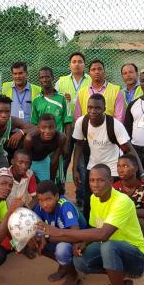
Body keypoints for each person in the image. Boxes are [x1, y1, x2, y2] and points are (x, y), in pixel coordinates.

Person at [40, 164, 144, 285]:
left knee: (108, 246)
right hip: (114, 249)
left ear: (111, 181)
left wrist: (59, 233)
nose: (95, 184)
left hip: (137, 257)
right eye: (92, 180)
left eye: (100, 180)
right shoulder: (94, 198)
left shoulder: (122, 201)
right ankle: (119, 279)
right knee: (80, 261)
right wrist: (83, 243)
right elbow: (96, 227)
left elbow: (103, 234)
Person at [72, 94, 144, 219]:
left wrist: (142, 173)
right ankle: (91, 233)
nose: (93, 111)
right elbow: (79, 146)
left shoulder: (114, 125)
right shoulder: (82, 122)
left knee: (111, 205)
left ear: (104, 108)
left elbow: (129, 150)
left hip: (113, 171)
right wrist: (74, 169)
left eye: (97, 108)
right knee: (90, 203)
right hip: (93, 169)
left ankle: (109, 233)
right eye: (90, 107)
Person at [34, 180, 86, 285]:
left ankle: (73, 276)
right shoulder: (39, 207)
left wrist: (47, 237)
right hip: (60, 237)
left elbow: (76, 236)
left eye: (48, 199)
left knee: (61, 249)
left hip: (80, 241)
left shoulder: (65, 205)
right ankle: (64, 266)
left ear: (57, 196)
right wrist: (39, 237)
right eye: (40, 200)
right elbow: (38, 228)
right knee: (35, 243)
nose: (44, 204)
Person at [56, 52, 92, 207]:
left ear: (84, 64)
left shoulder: (91, 80)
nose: (77, 64)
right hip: (67, 128)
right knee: (62, 161)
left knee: (82, 165)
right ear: (69, 64)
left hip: (85, 129)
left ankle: (81, 198)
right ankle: (60, 195)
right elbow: (55, 98)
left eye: (80, 61)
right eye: (74, 61)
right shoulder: (61, 81)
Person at [114, 154, 144, 244]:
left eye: (125, 166)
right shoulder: (114, 188)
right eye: (118, 166)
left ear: (136, 168)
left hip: (143, 226)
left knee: (139, 222)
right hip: (122, 223)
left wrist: (125, 212)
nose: (120, 170)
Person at [24, 114, 66, 184]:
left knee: (45, 187)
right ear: (38, 128)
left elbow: (54, 162)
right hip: (29, 162)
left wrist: (51, 181)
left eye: (51, 127)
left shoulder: (61, 138)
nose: (47, 131)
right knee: (27, 186)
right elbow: (26, 158)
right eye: (43, 128)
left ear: (56, 127)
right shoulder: (29, 139)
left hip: (43, 161)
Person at [31, 67, 72, 139]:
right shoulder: (36, 101)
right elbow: (34, 123)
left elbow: (68, 122)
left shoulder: (63, 98)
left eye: (47, 77)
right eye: (42, 77)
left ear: (52, 78)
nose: (44, 80)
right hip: (42, 141)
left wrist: (67, 143)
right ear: (39, 79)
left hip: (59, 140)